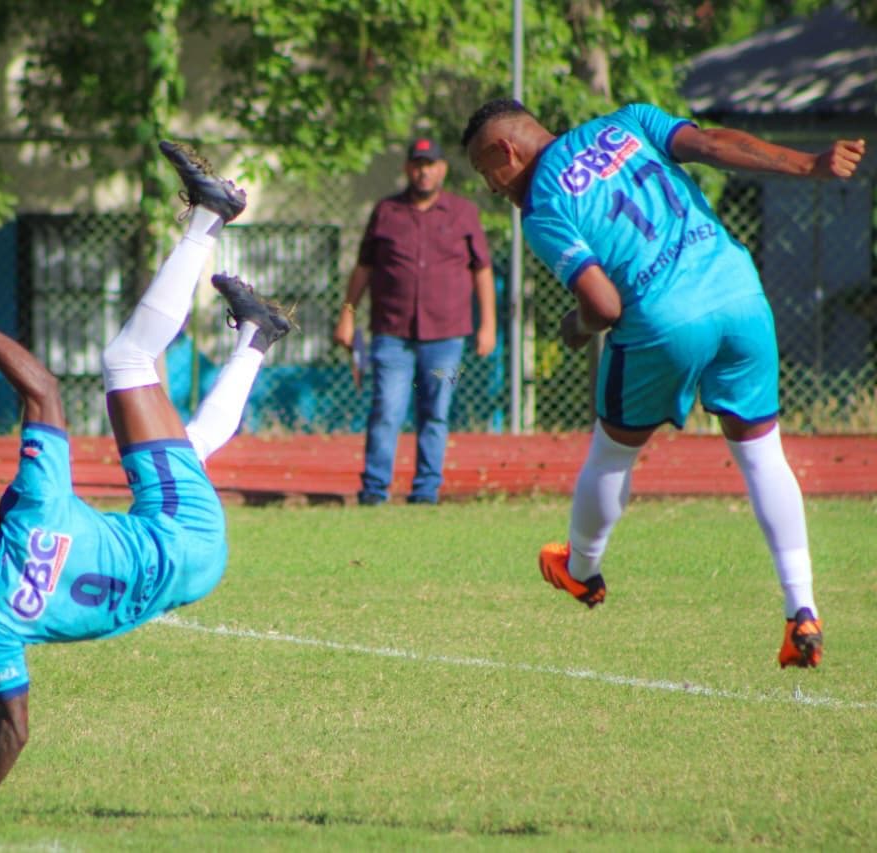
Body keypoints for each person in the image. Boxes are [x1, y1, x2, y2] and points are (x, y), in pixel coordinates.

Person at [0, 140, 292, 809]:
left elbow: (14, 730)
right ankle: (209, 215)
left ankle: (257, 336)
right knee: (126, 362)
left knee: (185, 450)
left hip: (191, 575)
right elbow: (44, 389)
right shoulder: (33, 505)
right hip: (180, 530)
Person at [460, 98, 866, 668]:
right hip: (738, 292)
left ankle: (581, 570)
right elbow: (715, 145)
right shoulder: (629, 120)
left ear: (507, 149)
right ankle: (802, 609)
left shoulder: (544, 204)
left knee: (611, 453)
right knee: (762, 455)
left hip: (663, 319)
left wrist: (576, 326)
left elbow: (604, 305)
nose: (492, 187)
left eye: (486, 171)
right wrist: (809, 165)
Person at [332, 136, 498, 506]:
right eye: (418, 164)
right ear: (408, 168)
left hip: (447, 337)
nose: (424, 172)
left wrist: (488, 325)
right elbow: (363, 269)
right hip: (392, 335)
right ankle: (374, 490)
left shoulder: (463, 212)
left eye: (431, 165)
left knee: (435, 413)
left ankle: (426, 491)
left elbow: (482, 271)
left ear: (442, 169)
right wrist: (347, 316)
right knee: (386, 411)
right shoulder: (386, 212)